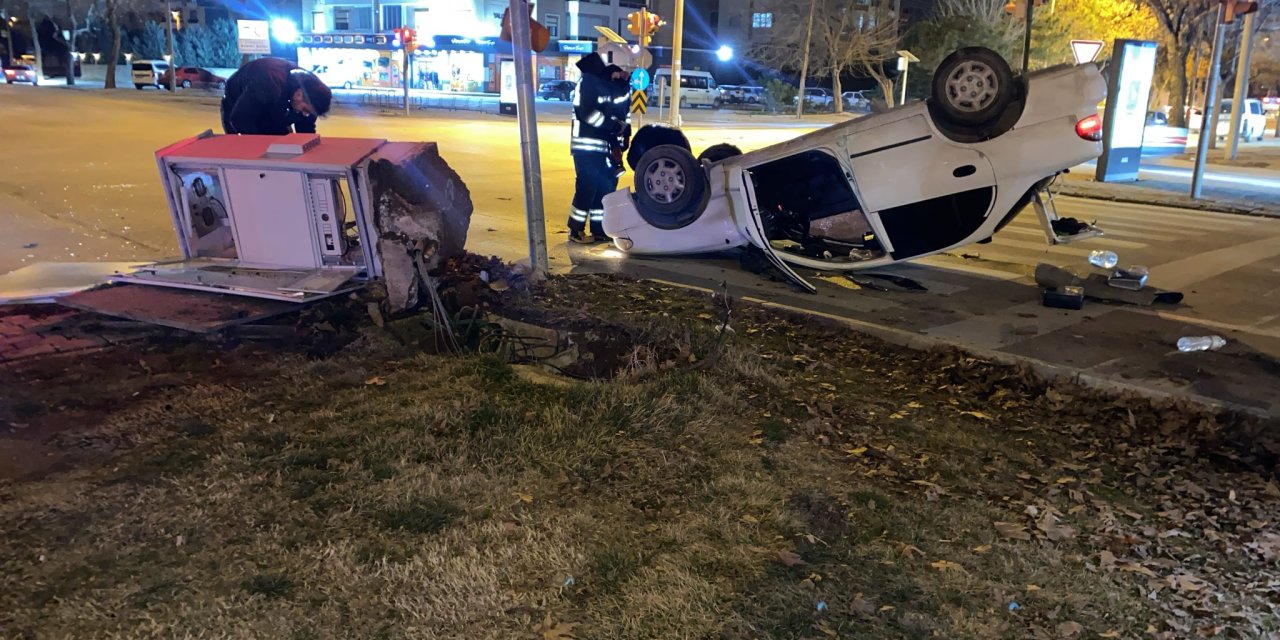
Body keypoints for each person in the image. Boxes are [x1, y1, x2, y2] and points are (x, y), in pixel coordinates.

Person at [568, 53, 631, 244]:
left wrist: (623, 83)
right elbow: (587, 114)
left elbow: (619, 107)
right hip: (586, 146)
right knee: (587, 188)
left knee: (602, 188)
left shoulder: (600, 85)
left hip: (601, 147)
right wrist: (613, 127)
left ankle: (599, 230)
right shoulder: (588, 83)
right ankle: (575, 230)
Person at [220, 57, 333, 136]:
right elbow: (240, 120)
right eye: (305, 110)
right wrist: (260, 149)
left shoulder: (311, 94)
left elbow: (305, 132)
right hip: (238, 107)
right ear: (299, 94)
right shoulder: (269, 83)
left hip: (276, 105)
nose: (305, 115)